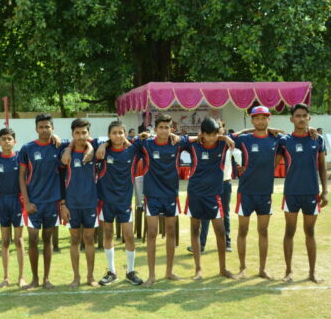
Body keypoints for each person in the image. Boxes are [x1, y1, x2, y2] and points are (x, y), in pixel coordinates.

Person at [18, 114, 91, 289]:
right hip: (33, 202)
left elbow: (82, 140)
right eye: (41, 127)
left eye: (47, 127)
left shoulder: (60, 146)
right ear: (36, 129)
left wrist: (82, 146)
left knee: (47, 239)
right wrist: (26, 201)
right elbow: (21, 176)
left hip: (52, 201)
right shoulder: (27, 148)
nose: (44, 130)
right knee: (33, 239)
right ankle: (34, 279)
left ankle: (46, 279)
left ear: (53, 128)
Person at [137, 113, 191, 286]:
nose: (164, 130)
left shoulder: (177, 143)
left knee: (171, 233)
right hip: (152, 195)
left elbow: (200, 138)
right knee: (152, 233)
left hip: (170, 195)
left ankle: (169, 272)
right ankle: (151, 275)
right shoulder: (146, 144)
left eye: (167, 128)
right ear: (155, 128)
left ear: (171, 129)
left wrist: (223, 137)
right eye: (161, 127)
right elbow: (124, 142)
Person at [278, 103, 328, 283]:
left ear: (309, 118)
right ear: (291, 119)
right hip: (291, 193)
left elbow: (322, 166)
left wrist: (325, 191)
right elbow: (265, 134)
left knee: (310, 232)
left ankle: (312, 273)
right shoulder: (284, 141)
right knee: (289, 231)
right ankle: (288, 272)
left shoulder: (318, 140)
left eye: (304, 116)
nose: (301, 119)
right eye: (297, 116)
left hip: (311, 193)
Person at [232, 106, 283, 280]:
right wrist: (247, 130)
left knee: (263, 231)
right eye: (257, 118)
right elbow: (228, 137)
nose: (260, 121)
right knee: (243, 230)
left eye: (264, 118)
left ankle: (262, 269)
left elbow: (295, 135)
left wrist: (312, 130)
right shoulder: (244, 139)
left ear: (269, 119)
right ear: (252, 120)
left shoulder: (277, 139)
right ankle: (242, 268)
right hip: (245, 193)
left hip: (265, 193)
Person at [184, 117, 237, 280]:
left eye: (215, 134)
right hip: (195, 194)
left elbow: (243, 133)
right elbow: (176, 139)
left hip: (214, 195)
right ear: (202, 133)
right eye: (209, 134)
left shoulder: (223, 145)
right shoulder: (193, 146)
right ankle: (198, 270)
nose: (212, 137)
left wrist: (224, 137)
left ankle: (223, 269)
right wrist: (196, 137)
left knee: (220, 231)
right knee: (195, 231)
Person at [95, 121, 143, 286]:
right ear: (109, 135)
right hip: (106, 201)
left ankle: (130, 271)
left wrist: (136, 138)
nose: (118, 136)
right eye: (114, 133)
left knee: (128, 236)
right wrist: (104, 145)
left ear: (125, 134)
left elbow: (146, 140)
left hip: (124, 202)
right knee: (108, 235)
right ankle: (112, 272)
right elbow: (85, 140)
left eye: (120, 132)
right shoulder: (102, 150)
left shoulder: (133, 150)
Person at [59, 118, 100, 287]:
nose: (81, 136)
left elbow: (113, 139)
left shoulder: (96, 148)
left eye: (84, 133)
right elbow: (60, 179)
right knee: (75, 239)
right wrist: (63, 204)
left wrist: (91, 147)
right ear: (72, 134)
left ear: (89, 134)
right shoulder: (65, 153)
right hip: (72, 204)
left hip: (90, 203)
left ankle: (90, 277)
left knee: (89, 239)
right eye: (77, 133)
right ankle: (76, 277)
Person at [0, 128, 26, 288]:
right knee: (5, 240)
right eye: (3, 139)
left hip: (17, 201)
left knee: (18, 240)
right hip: (2, 201)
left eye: (9, 139)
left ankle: (21, 277)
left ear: (14, 141)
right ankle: (6, 277)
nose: (6, 141)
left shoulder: (20, 157)